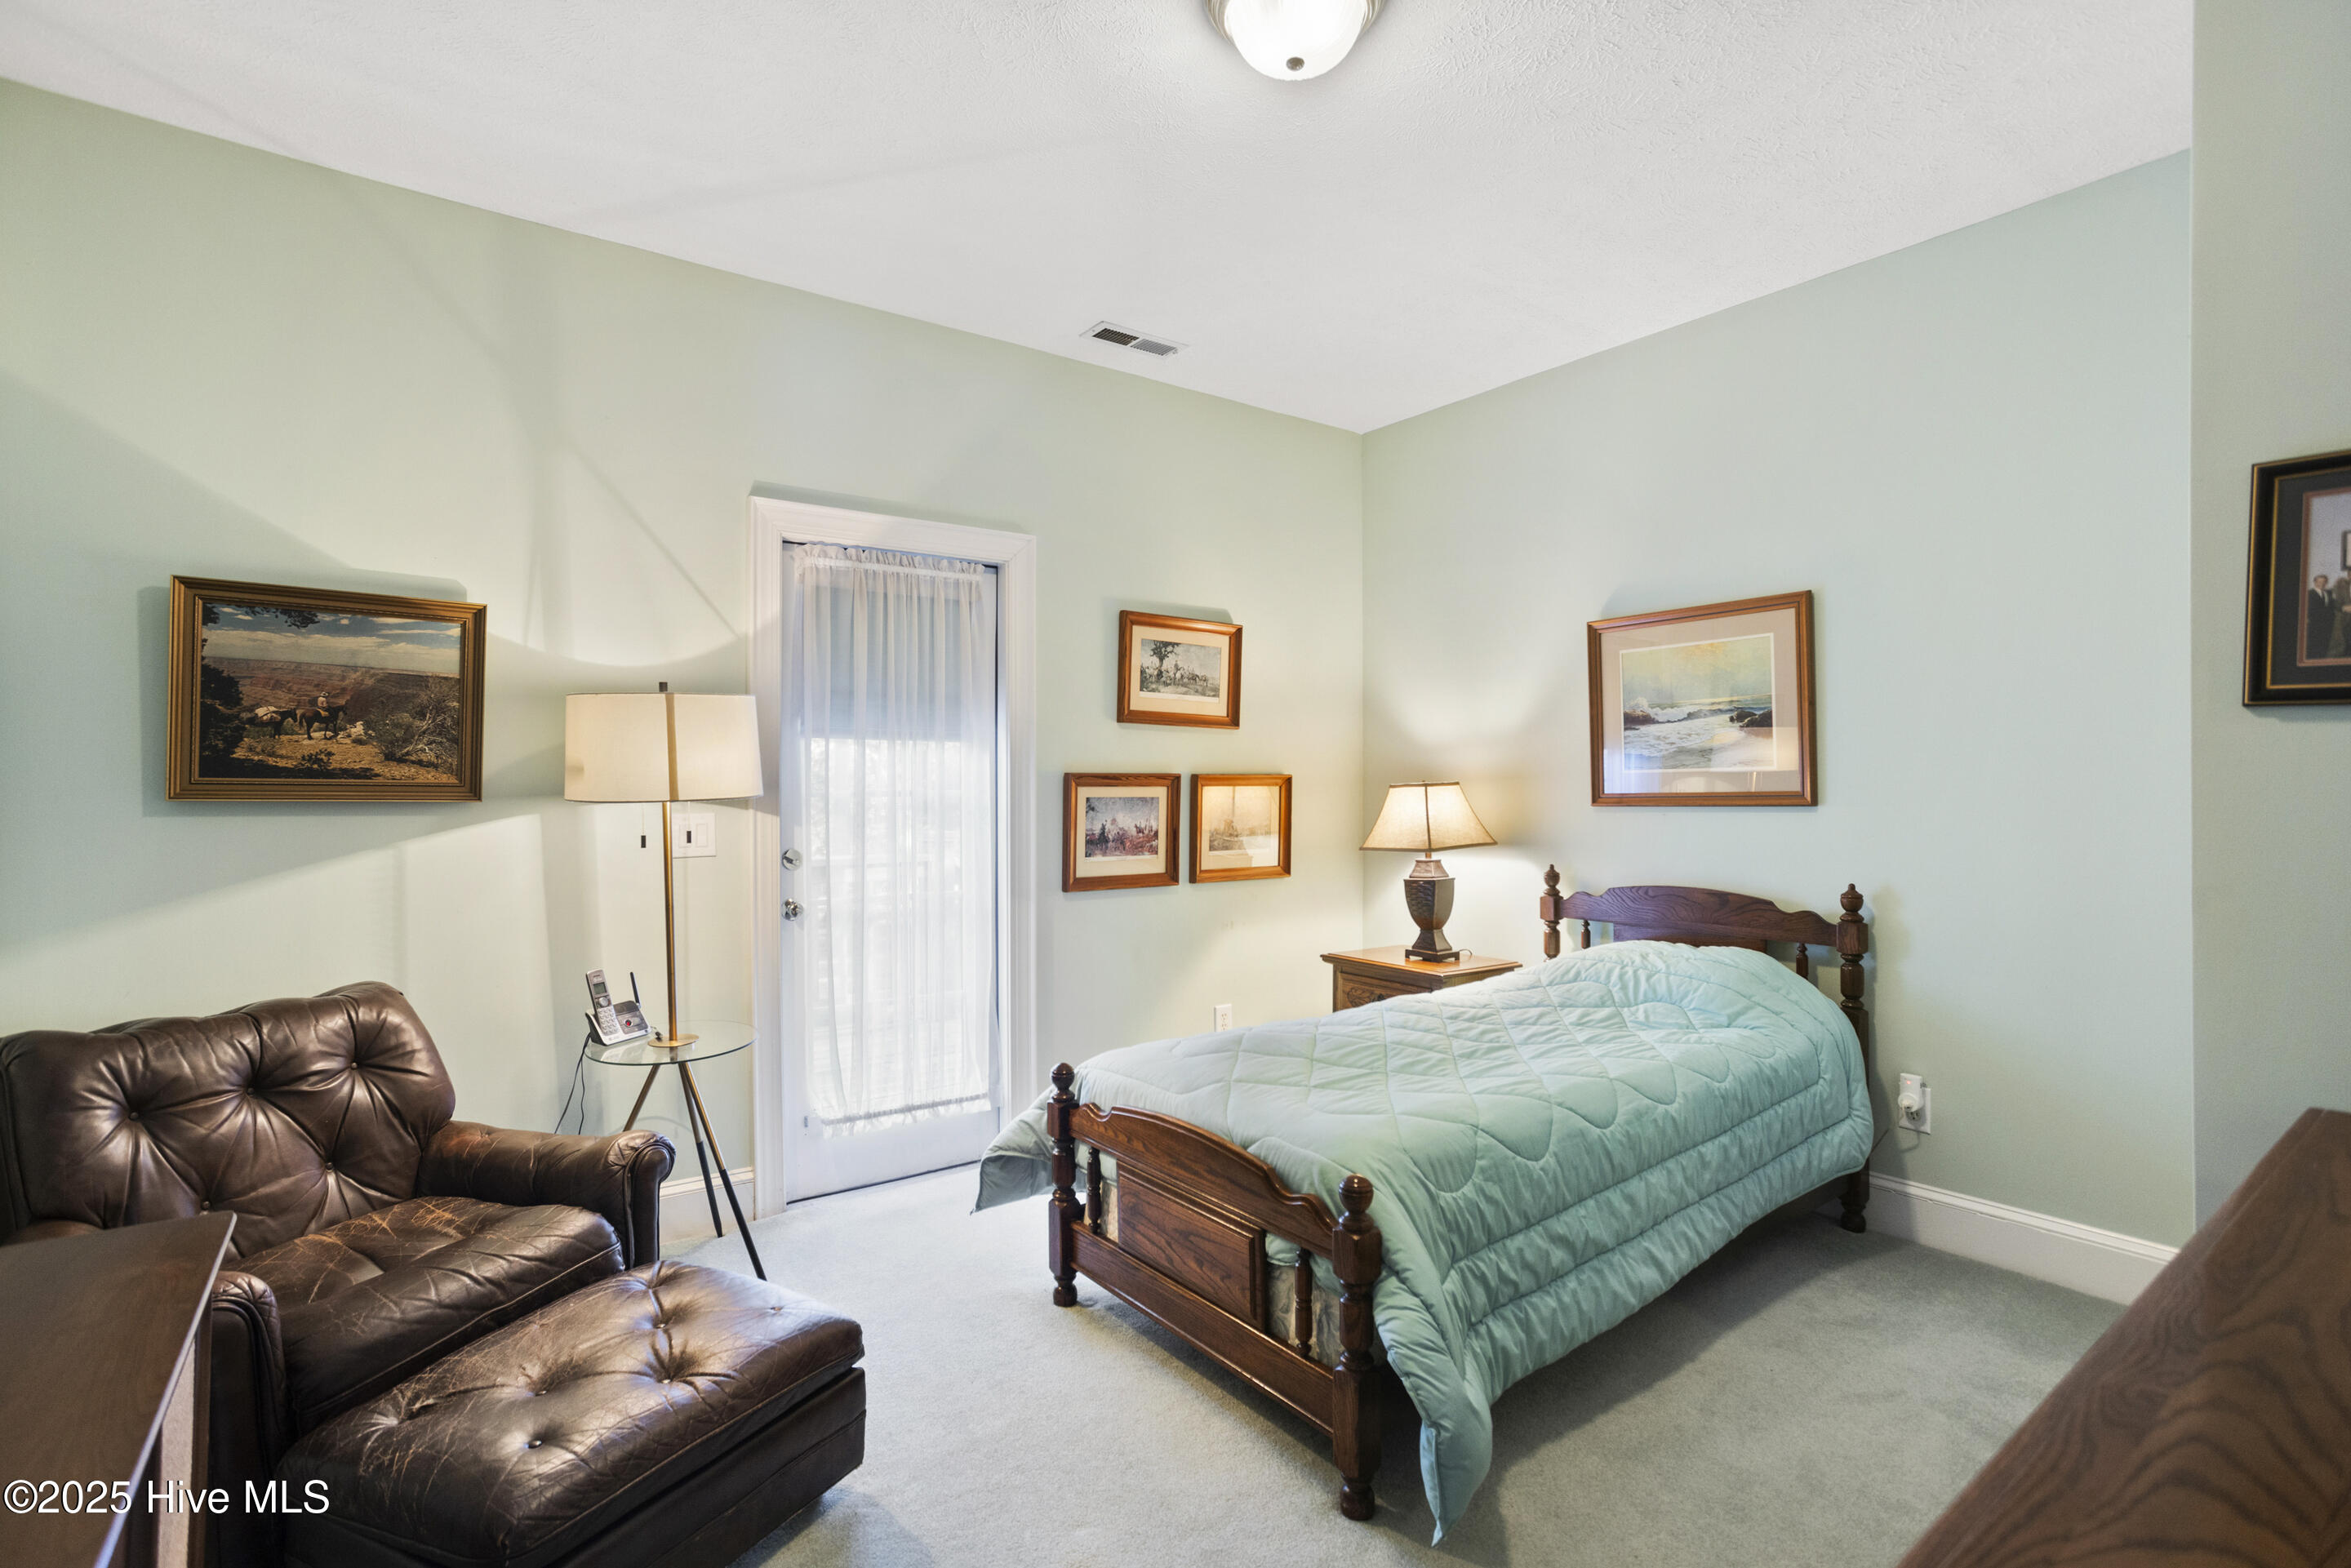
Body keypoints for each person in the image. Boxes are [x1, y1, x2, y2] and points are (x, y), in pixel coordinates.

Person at [2312, 575, 2335, 661]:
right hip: (2315, 624)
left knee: (2325, 643)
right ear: (2315, 582)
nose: (2322, 584)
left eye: (2324, 582)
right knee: (2315, 644)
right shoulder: (2309, 593)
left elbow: (2332, 606)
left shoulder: (2328, 593)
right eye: (2319, 582)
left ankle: (2323, 659)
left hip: (2327, 624)